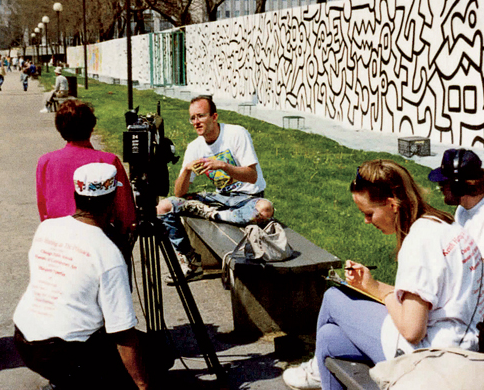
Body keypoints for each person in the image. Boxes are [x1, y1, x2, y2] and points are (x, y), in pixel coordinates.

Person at [282, 159, 484, 390]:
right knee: (329, 338)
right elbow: (424, 302)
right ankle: (319, 365)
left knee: (333, 298)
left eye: (369, 213)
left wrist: (378, 290)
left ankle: (317, 370)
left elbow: (412, 330)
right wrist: (372, 284)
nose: (366, 221)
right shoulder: (443, 224)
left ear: (392, 204)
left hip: (431, 358)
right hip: (461, 345)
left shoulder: (418, 242)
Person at [14, 163, 150, 390]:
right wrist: (142, 383)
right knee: (156, 354)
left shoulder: (47, 227)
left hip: (24, 341)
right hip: (65, 353)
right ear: (113, 199)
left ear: (76, 194)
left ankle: (65, 381)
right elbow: (123, 332)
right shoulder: (107, 253)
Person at [156, 95, 274, 280]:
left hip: (247, 198)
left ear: (214, 117)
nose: (196, 122)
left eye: (201, 116)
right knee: (164, 207)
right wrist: (186, 170)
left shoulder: (236, 134)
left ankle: (215, 215)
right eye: (192, 118)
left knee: (265, 210)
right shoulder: (195, 147)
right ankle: (191, 263)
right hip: (220, 199)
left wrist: (224, 166)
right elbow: (179, 193)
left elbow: (252, 176)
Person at [36, 100, 136, 255]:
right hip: (99, 236)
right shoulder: (108, 161)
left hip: (59, 236)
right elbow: (124, 209)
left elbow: (44, 207)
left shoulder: (46, 161)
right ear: (91, 126)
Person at [429, 148, 484, 249]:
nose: (439, 188)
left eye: (443, 184)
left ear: (458, 185)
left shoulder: (481, 218)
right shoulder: (462, 209)